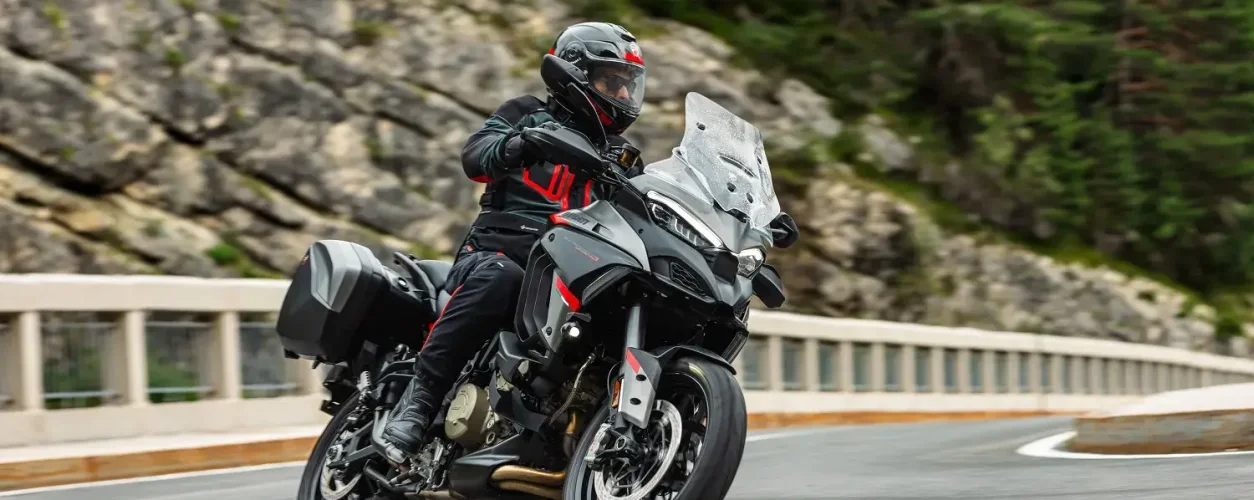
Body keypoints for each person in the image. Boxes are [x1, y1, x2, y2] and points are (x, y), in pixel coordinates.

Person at [378, 21, 649, 460]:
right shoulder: (527, 112)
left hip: (571, 268)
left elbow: (644, 209)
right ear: (577, 74)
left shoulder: (622, 155)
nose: (621, 93)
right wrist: (522, 144)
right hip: (496, 252)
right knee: (501, 276)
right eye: (611, 81)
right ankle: (418, 401)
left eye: (627, 84)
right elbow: (475, 156)